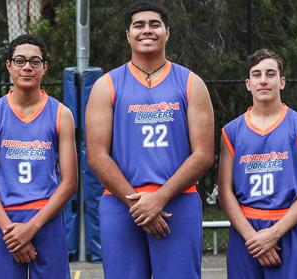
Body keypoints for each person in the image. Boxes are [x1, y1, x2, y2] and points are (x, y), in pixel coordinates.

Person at [85, 1, 214, 278]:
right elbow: (97, 155)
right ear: (128, 34)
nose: (147, 30)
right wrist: (138, 204)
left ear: (167, 32)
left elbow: (203, 154)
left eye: (154, 24)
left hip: (178, 202)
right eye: (139, 25)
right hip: (121, 203)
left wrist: (159, 199)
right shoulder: (106, 85)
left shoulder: (191, 83)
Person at [0, 34, 77, 279]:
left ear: (45, 67)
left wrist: (32, 227)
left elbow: (70, 182)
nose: (27, 67)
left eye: (34, 61)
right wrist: (11, 231)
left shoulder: (61, 114)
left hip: (47, 217)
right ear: (8, 65)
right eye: (19, 61)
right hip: (5, 219)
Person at [218, 49, 297, 278]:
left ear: (281, 82)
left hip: (289, 228)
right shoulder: (231, 132)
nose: (263, 80)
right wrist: (253, 238)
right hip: (246, 232)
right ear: (248, 83)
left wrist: (274, 234)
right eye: (256, 75)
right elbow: (225, 192)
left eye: (270, 74)